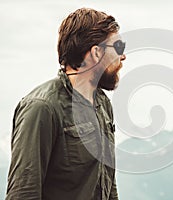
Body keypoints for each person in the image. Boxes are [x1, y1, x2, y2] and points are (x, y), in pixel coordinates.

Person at [5, 7, 126, 200]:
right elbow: (23, 193)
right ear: (96, 53)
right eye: (118, 47)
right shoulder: (41, 107)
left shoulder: (103, 104)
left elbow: (108, 185)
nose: (123, 56)